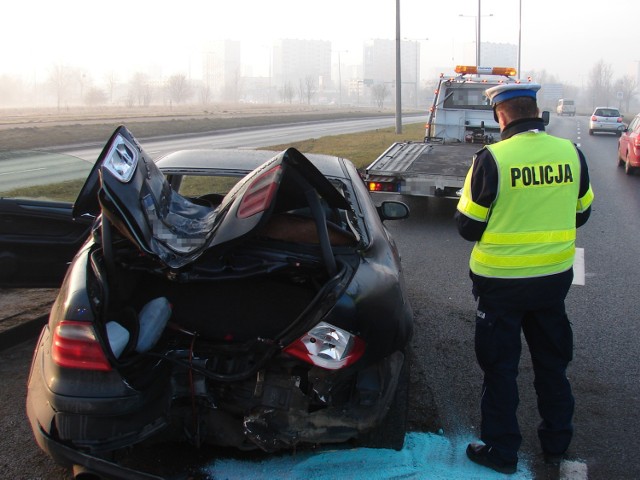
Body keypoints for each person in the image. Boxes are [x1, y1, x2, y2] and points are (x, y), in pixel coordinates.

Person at [455, 82, 594, 474]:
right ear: (536, 110)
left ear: (501, 116)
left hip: (499, 287)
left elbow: (468, 226)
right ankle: (556, 444)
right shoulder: (571, 154)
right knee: (552, 365)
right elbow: (582, 213)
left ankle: (501, 451)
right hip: (552, 283)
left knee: (500, 370)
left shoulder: (492, 160)